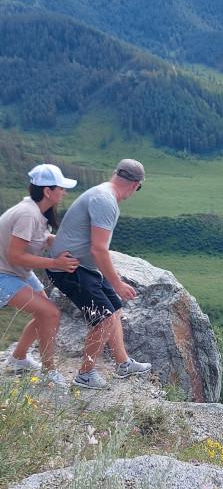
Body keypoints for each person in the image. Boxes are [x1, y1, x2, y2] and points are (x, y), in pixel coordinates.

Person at [47, 159, 151, 389]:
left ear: (116, 174)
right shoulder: (106, 201)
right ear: (135, 185)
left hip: (82, 266)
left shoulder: (101, 193)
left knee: (114, 308)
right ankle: (85, 375)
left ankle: (123, 363)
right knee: (103, 319)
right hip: (70, 269)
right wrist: (116, 282)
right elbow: (98, 248)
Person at [0, 164, 79, 385]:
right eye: (61, 188)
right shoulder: (27, 215)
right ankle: (49, 372)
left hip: (17, 272)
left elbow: (41, 239)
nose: (64, 192)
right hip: (5, 274)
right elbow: (16, 255)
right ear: (47, 191)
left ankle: (18, 358)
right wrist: (56, 263)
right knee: (51, 313)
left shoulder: (36, 212)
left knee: (44, 315)